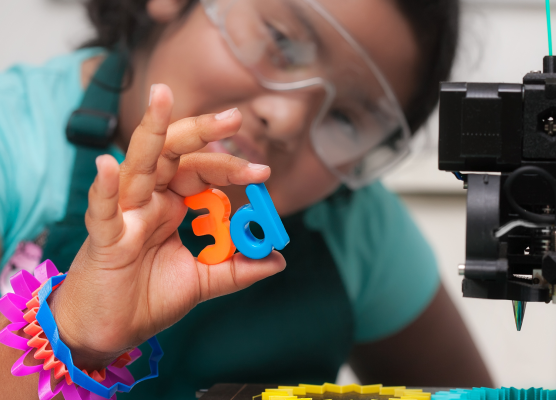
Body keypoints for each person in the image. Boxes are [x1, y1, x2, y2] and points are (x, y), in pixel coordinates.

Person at [0, 0, 494, 399]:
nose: (287, 119)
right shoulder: (14, 142)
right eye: (281, 41)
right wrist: (73, 331)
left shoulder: (358, 226)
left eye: (346, 118)